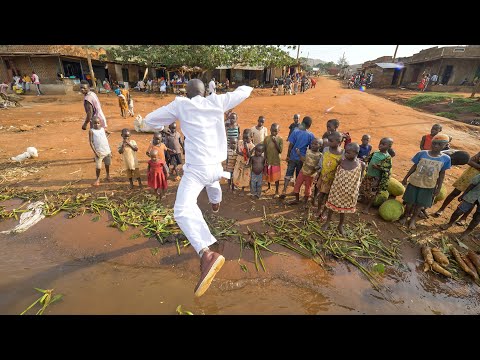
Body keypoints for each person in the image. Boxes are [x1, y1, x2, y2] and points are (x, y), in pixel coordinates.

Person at [143, 79, 253, 297]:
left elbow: (149, 120)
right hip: (216, 168)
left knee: (182, 210)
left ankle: (206, 253)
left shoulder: (180, 105)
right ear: (205, 92)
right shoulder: (218, 101)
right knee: (213, 184)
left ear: (186, 92)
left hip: (196, 169)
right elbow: (244, 92)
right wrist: (236, 90)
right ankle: (215, 204)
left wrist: (162, 125)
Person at [400, 134, 451, 230]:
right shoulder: (422, 154)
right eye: (434, 143)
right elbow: (414, 166)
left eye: (440, 144)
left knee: (419, 204)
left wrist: (438, 187)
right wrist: (405, 177)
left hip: (428, 185)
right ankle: (405, 216)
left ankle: (413, 219)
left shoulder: (446, 159)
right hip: (415, 182)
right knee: (409, 202)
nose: (436, 146)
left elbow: (441, 174)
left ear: (445, 146)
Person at [322, 143, 365, 235]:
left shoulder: (361, 165)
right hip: (336, 190)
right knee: (331, 208)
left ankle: (340, 225)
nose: (345, 154)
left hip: (348, 193)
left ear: (356, 153)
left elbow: (359, 179)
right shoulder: (341, 161)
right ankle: (327, 222)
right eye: (345, 151)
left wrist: (356, 192)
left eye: (348, 153)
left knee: (343, 211)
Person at [434, 151, 480, 222]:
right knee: (455, 193)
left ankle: (464, 217)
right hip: (469, 176)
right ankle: (441, 209)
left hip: (478, 181)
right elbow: (469, 161)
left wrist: (475, 165)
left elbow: (472, 162)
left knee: (471, 200)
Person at [280, 116, 315, 199]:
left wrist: (288, 156)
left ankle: (284, 190)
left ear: (302, 123)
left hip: (292, 157)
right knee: (298, 175)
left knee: (288, 174)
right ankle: (296, 192)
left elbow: (290, 145)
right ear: (309, 126)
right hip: (301, 159)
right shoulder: (310, 135)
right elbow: (311, 148)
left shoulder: (295, 131)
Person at [440, 173, 480, 240]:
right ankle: (449, 223)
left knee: (477, 218)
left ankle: (466, 232)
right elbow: (472, 185)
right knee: (458, 211)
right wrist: (464, 194)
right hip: (472, 195)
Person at [359, 137, 393, 214]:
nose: (380, 145)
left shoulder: (387, 157)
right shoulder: (376, 153)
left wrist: (378, 168)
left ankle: (368, 207)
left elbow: (387, 168)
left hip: (376, 178)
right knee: (364, 187)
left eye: (383, 144)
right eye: (380, 143)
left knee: (373, 193)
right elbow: (368, 159)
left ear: (389, 147)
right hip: (368, 175)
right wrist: (362, 159)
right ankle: (363, 199)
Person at [315, 132, 344, 215]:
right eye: (329, 140)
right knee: (321, 196)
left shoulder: (342, 153)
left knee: (329, 198)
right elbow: (322, 162)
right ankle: (319, 209)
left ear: (339, 142)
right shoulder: (326, 149)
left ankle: (324, 211)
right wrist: (318, 173)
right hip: (323, 177)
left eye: (331, 141)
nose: (329, 142)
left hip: (334, 180)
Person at [291, 138, 323, 205]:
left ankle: (305, 203)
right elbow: (304, 160)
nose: (313, 145)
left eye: (315, 144)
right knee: (297, 186)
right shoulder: (308, 151)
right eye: (312, 144)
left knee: (307, 189)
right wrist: (299, 154)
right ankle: (297, 200)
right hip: (302, 172)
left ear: (320, 146)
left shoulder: (320, 155)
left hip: (311, 175)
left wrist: (316, 168)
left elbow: (320, 166)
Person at [88, 118, 112, 186]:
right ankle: (97, 179)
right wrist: (95, 152)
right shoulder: (91, 131)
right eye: (95, 123)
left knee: (107, 164)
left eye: (98, 123)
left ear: (100, 123)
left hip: (107, 151)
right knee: (98, 167)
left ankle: (108, 175)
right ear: (92, 124)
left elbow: (107, 132)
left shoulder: (102, 129)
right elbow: (91, 142)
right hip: (99, 152)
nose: (97, 124)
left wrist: (108, 133)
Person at [233, 129, 255, 195]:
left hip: (246, 164)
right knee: (236, 175)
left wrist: (246, 147)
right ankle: (235, 186)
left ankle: (242, 190)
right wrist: (242, 154)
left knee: (244, 177)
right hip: (239, 162)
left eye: (247, 138)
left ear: (251, 137)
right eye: (243, 137)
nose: (245, 140)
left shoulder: (252, 146)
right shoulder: (240, 142)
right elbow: (237, 151)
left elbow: (249, 156)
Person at [263, 123, 283, 198]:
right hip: (268, 160)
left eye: (276, 131)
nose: (274, 133)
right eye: (272, 131)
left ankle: (277, 191)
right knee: (268, 175)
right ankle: (269, 187)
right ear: (270, 130)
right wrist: (265, 158)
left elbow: (280, 150)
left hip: (276, 161)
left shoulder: (280, 139)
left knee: (276, 177)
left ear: (278, 131)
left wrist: (275, 142)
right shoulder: (267, 138)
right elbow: (265, 149)